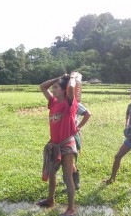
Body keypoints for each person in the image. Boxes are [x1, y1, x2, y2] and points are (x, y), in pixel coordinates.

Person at [37, 72, 80, 216]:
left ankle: (71, 209)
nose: (53, 89)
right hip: (54, 145)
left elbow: (71, 88)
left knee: (67, 177)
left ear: (63, 90)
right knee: (52, 173)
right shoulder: (53, 102)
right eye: (54, 87)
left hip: (67, 145)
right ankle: (50, 200)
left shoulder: (69, 103)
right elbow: (42, 87)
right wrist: (57, 78)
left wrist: (72, 77)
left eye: (56, 87)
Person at [63, 102, 91, 191]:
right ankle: (71, 179)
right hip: (63, 135)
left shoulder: (75, 103)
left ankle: (75, 183)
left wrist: (78, 127)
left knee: (68, 161)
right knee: (66, 160)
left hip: (71, 136)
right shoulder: (60, 102)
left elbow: (87, 114)